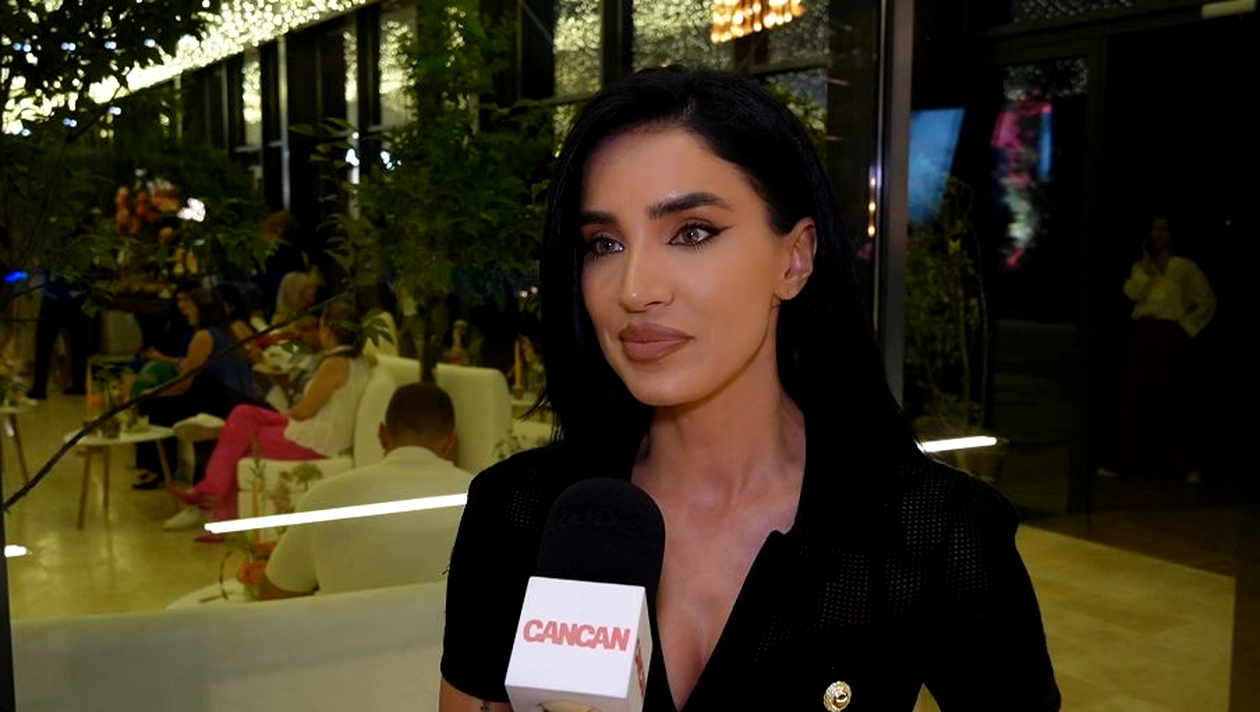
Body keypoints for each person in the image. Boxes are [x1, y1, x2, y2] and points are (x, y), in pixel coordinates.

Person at [439, 68, 1060, 711]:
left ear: (795, 259)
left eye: (692, 232)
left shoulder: (932, 529)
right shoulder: (521, 513)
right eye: (605, 243)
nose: (635, 288)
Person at [165, 300, 372, 539]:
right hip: (320, 432)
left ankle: (213, 498)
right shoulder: (359, 360)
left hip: (316, 440)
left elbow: (305, 411)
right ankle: (214, 493)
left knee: (240, 436)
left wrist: (281, 417)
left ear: (328, 330)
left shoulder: (334, 363)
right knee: (243, 414)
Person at [258, 383, 473, 599]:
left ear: (382, 434)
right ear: (449, 443)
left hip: (349, 623)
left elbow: (273, 596)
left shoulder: (325, 497)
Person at [1098, 215, 1216, 482]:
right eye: (1155, 229)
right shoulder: (1142, 267)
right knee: (1132, 398)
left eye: (1164, 229)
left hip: (1170, 334)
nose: (1159, 234)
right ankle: (1120, 460)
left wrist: (1185, 328)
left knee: (1175, 399)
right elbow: (1132, 293)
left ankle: (1186, 464)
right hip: (1143, 333)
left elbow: (1206, 301)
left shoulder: (1184, 267)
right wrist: (1148, 268)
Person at [133, 287, 255, 489]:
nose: (186, 311)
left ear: (202, 309)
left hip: (218, 405)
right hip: (236, 401)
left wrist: (150, 393)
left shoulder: (204, 336)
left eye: (190, 306)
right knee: (162, 403)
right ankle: (165, 470)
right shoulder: (228, 333)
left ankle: (159, 469)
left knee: (153, 406)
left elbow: (184, 383)